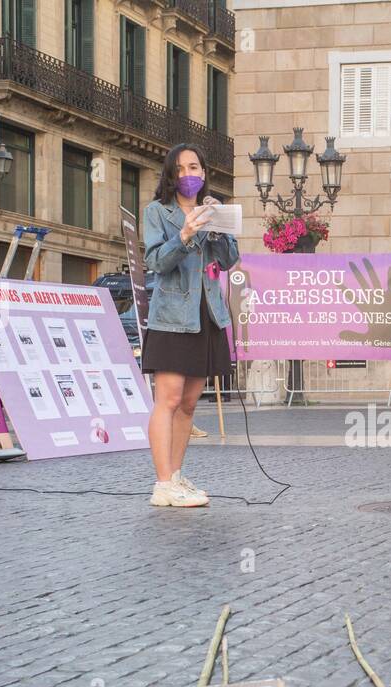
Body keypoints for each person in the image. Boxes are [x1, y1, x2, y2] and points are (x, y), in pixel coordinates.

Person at [141, 143, 238, 507]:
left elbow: (229, 260)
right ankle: (162, 483)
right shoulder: (158, 212)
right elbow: (156, 262)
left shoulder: (211, 211)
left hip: (206, 314)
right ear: (171, 174)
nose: (188, 175)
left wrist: (220, 228)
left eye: (194, 167)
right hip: (171, 316)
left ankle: (177, 476)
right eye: (180, 169)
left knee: (189, 404)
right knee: (167, 399)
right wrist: (184, 235)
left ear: (204, 172)